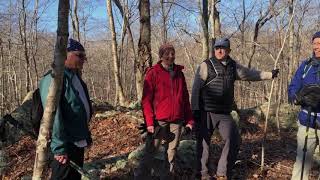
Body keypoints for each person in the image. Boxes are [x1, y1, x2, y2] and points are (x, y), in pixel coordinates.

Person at [191, 37, 279, 180]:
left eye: (222, 48)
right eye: (217, 48)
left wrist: (269, 74)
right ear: (214, 50)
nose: (219, 50)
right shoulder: (206, 65)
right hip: (205, 111)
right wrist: (194, 109)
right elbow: (196, 89)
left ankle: (222, 173)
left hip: (224, 113)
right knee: (204, 143)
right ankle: (203, 174)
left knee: (233, 140)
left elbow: (250, 74)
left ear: (228, 50)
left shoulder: (233, 66)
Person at [134, 43, 194, 180]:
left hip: (177, 121)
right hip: (158, 121)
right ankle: (140, 177)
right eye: (167, 54)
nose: (170, 56)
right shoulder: (153, 73)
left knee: (171, 152)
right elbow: (146, 101)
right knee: (151, 151)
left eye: (172, 53)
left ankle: (166, 177)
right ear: (161, 56)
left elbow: (185, 99)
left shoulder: (179, 74)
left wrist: (190, 120)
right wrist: (149, 122)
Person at [39, 38, 92, 180]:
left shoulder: (74, 76)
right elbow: (53, 116)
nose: (83, 59)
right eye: (80, 55)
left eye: (84, 56)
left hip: (77, 141)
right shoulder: (53, 79)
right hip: (64, 144)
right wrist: (59, 148)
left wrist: (85, 135)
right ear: (65, 55)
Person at [289, 31, 320, 180]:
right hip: (307, 121)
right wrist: (299, 98)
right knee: (302, 164)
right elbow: (293, 87)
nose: (317, 47)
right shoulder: (306, 65)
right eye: (315, 43)